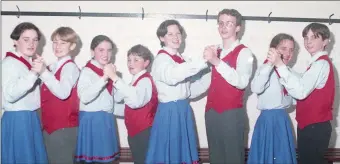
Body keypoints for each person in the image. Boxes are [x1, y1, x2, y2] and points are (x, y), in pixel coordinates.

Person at [269, 23, 335, 164]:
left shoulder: (320, 64)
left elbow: (300, 92)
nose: (308, 41)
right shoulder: (314, 65)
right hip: (310, 126)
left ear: (325, 41)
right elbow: (300, 84)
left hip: (315, 127)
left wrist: (280, 65)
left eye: (314, 37)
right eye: (306, 37)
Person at [146, 19, 209, 164]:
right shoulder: (162, 60)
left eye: (178, 33)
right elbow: (172, 76)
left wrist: (212, 72)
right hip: (170, 112)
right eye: (170, 34)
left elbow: (189, 91)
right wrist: (203, 60)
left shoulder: (182, 59)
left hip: (183, 109)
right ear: (162, 38)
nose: (176, 37)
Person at [202, 8, 254, 164]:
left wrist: (216, 62)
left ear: (238, 28)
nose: (224, 27)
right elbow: (206, 82)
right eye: (221, 23)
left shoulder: (245, 53)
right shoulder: (214, 50)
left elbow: (242, 82)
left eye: (229, 24)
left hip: (231, 114)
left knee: (233, 159)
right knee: (215, 158)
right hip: (211, 112)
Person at [247, 33, 297, 164]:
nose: (288, 53)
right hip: (268, 121)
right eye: (284, 48)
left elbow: (295, 98)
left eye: (291, 50)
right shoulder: (264, 69)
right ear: (273, 50)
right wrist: (270, 64)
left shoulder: (289, 72)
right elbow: (256, 88)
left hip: (282, 120)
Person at [1, 22, 48, 164]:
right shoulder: (9, 63)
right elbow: (10, 94)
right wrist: (34, 73)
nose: (31, 44)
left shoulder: (26, 62)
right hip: (18, 119)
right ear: (16, 41)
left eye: (35, 40)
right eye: (26, 39)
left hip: (30, 117)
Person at [109, 44, 158, 164]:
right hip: (135, 132)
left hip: (145, 132)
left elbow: (136, 102)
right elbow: (127, 107)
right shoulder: (133, 82)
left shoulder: (145, 80)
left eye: (136, 60)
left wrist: (115, 79)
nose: (131, 63)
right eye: (129, 60)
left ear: (146, 63)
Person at [74, 35, 119, 164]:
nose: (106, 54)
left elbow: (113, 99)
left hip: (106, 120)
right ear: (92, 51)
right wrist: (104, 78)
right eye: (101, 50)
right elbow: (84, 97)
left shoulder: (108, 70)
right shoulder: (87, 71)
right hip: (92, 121)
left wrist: (116, 79)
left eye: (109, 50)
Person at [38, 26, 80, 164]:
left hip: (63, 129)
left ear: (72, 46)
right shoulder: (52, 67)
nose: (57, 46)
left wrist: (43, 72)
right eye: (55, 42)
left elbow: (63, 93)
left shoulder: (70, 67)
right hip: (49, 128)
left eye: (63, 42)